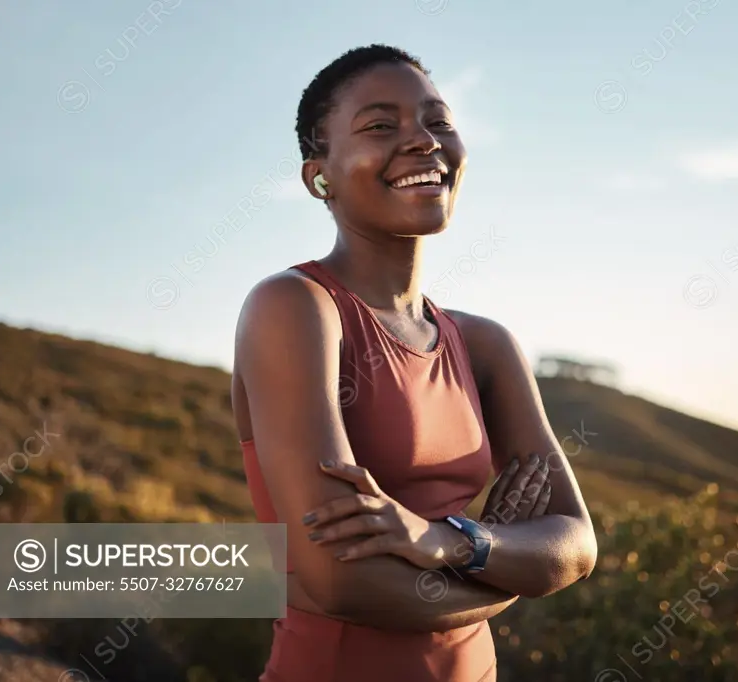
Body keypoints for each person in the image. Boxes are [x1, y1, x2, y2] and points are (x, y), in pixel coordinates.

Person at [230, 44, 597, 681]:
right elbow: (343, 581)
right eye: (380, 126)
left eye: (439, 121)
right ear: (320, 177)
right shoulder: (294, 307)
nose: (423, 141)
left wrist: (451, 541)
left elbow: (576, 543)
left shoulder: (485, 345)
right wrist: (510, 573)